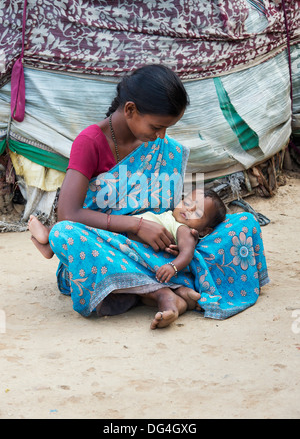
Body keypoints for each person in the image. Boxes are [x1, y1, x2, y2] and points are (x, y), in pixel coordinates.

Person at [29, 64, 270, 329]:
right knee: (65, 234)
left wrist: (180, 238)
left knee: (244, 223)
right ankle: (163, 292)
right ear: (130, 110)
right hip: (111, 248)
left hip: (163, 252)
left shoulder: (162, 147)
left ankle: (146, 287)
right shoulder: (90, 142)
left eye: (166, 128)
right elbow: (68, 215)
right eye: (157, 126)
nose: (161, 136)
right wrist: (137, 225)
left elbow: (170, 212)